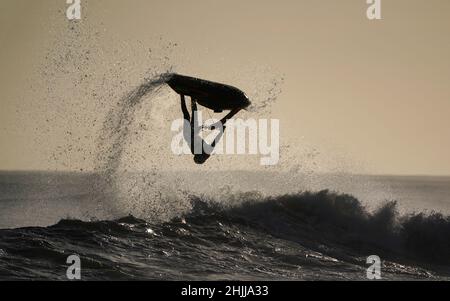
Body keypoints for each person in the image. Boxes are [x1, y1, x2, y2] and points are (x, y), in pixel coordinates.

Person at [180, 95, 241, 164]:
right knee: (195, 113)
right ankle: (193, 97)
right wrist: (222, 131)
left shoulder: (194, 151)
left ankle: (182, 95)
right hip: (195, 133)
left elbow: (192, 137)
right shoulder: (207, 151)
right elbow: (216, 141)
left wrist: (200, 128)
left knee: (187, 115)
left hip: (188, 134)